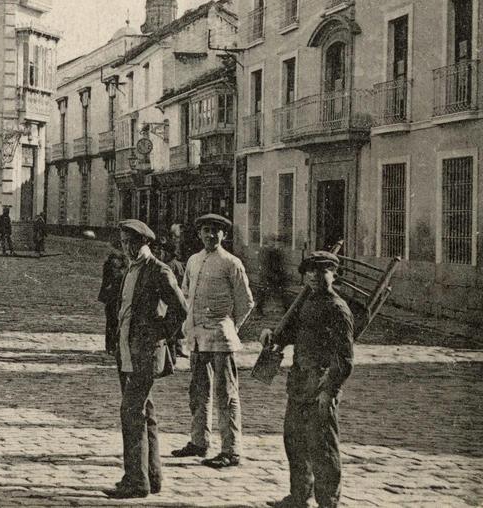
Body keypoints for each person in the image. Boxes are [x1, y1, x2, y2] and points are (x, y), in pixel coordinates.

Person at [261, 251, 354, 508]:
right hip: (300, 381)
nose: (314, 276)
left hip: (321, 385)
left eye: (321, 271)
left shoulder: (338, 309)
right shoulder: (307, 301)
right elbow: (293, 332)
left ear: (333, 275)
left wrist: (329, 391)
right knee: (294, 440)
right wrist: (272, 335)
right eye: (310, 271)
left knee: (322, 447)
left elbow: (345, 359)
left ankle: (328, 503)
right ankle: (299, 496)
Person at [103, 219, 188, 500]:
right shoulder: (129, 270)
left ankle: (135, 482)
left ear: (146, 244)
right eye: (125, 242)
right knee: (145, 412)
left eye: (133, 243)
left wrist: (158, 335)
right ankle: (153, 476)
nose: (128, 248)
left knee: (130, 411)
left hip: (144, 352)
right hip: (126, 350)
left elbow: (181, 310)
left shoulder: (158, 271)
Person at [171, 213, 255, 469]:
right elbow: (186, 294)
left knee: (226, 393)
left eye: (216, 231)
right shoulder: (194, 260)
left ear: (224, 235)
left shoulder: (231, 263)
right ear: (199, 234)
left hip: (220, 337)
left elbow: (246, 302)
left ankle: (231, 450)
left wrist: (229, 327)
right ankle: (199, 441)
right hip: (197, 337)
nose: (210, 235)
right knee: (197, 391)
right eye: (206, 230)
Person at [97, 241, 128, 356]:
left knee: (119, 322)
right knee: (111, 321)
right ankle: (110, 346)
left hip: (121, 297)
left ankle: (116, 345)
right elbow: (107, 282)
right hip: (112, 297)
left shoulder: (126, 262)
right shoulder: (109, 264)